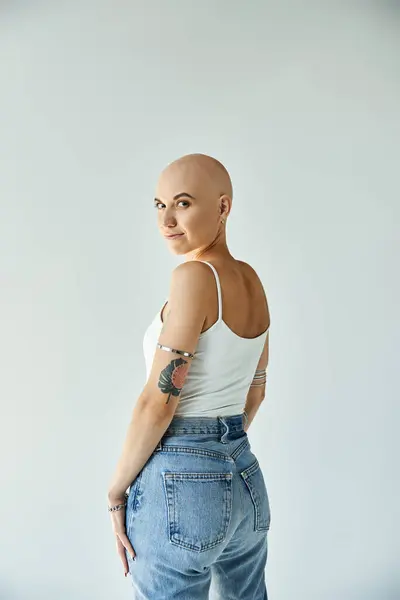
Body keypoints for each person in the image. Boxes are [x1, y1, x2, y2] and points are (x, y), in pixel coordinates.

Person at [107, 153, 271, 599]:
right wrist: (222, 452)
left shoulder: (194, 276)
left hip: (183, 477)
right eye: (159, 205)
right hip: (245, 476)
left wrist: (116, 491)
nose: (167, 219)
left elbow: (158, 402)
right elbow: (256, 392)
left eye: (182, 203)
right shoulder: (252, 281)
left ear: (223, 207)